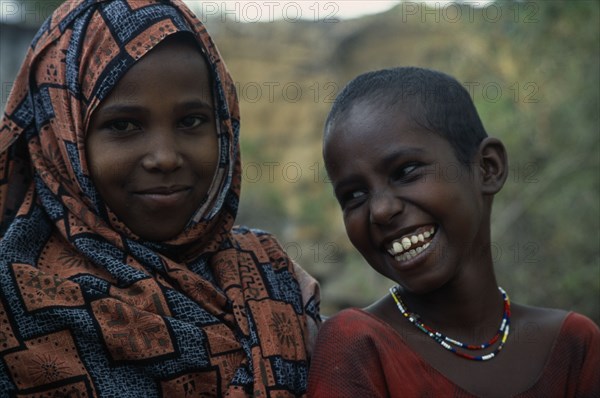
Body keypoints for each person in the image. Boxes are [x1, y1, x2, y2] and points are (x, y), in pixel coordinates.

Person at [0, 0, 320, 396]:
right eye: (124, 125)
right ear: (59, 139)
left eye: (191, 121)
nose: (166, 158)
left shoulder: (272, 273)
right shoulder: (11, 299)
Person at [307, 67, 599, 397]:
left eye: (405, 171)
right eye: (354, 195)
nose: (381, 210)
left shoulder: (573, 345)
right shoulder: (358, 345)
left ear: (488, 168)